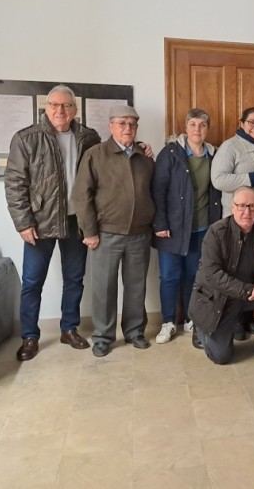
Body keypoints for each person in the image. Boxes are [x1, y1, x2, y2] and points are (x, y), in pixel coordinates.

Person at [4, 85, 99, 361]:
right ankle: (30, 336)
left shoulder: (89, 137)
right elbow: (14, 183)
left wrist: (141, 147)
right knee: (33, 282)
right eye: (55, 105)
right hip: (40, 222)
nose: (60, 110)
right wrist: (23, 223)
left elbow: (105, 168)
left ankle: (69, 329)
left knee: (74, 279)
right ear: (46, 107)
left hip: (75, 222)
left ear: (75, 109)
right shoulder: (27, 138)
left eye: (67, 105)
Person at [71, 105, 156, 357]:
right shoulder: (95, 155)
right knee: (104, 288)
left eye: (132, 124)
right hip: (105, 235)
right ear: (110, 126)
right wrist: (89, 231)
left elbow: (154, 191)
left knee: (136, 286)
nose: (127, 128)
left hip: (139, 234)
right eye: (122, 123)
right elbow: (81, 196)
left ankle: (134, 332)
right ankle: (103, 337)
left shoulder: (145, 156)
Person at [188, 187, 254, 364]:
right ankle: (202, 326)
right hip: (219, 300)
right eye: (241, 206)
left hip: (248, 295)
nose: (247, 212)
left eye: (252, 206)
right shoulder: (216, 232)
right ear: (232, 207)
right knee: (221, 357)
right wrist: (250, 290)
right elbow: (212, 275)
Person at [152, 109, 222, 344]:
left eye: (202, 125)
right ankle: (168, 321)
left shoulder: (214, 155)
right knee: (170, 276)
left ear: (207, 129)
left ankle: (192, 318)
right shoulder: (170, 153)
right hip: (172, 229)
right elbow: (158, 190)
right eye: (192, 124)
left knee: (195, 276)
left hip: (202, 229)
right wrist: (160, 223)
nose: (197, 129)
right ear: (185, 127)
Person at [211, 107, 254, 340]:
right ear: (241, 123)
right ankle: (237, 322)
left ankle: (249, 319)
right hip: (241, 225)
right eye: (252, 122)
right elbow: (218, 179)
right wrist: (252, 179)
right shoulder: (230, 147)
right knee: (238, 272)